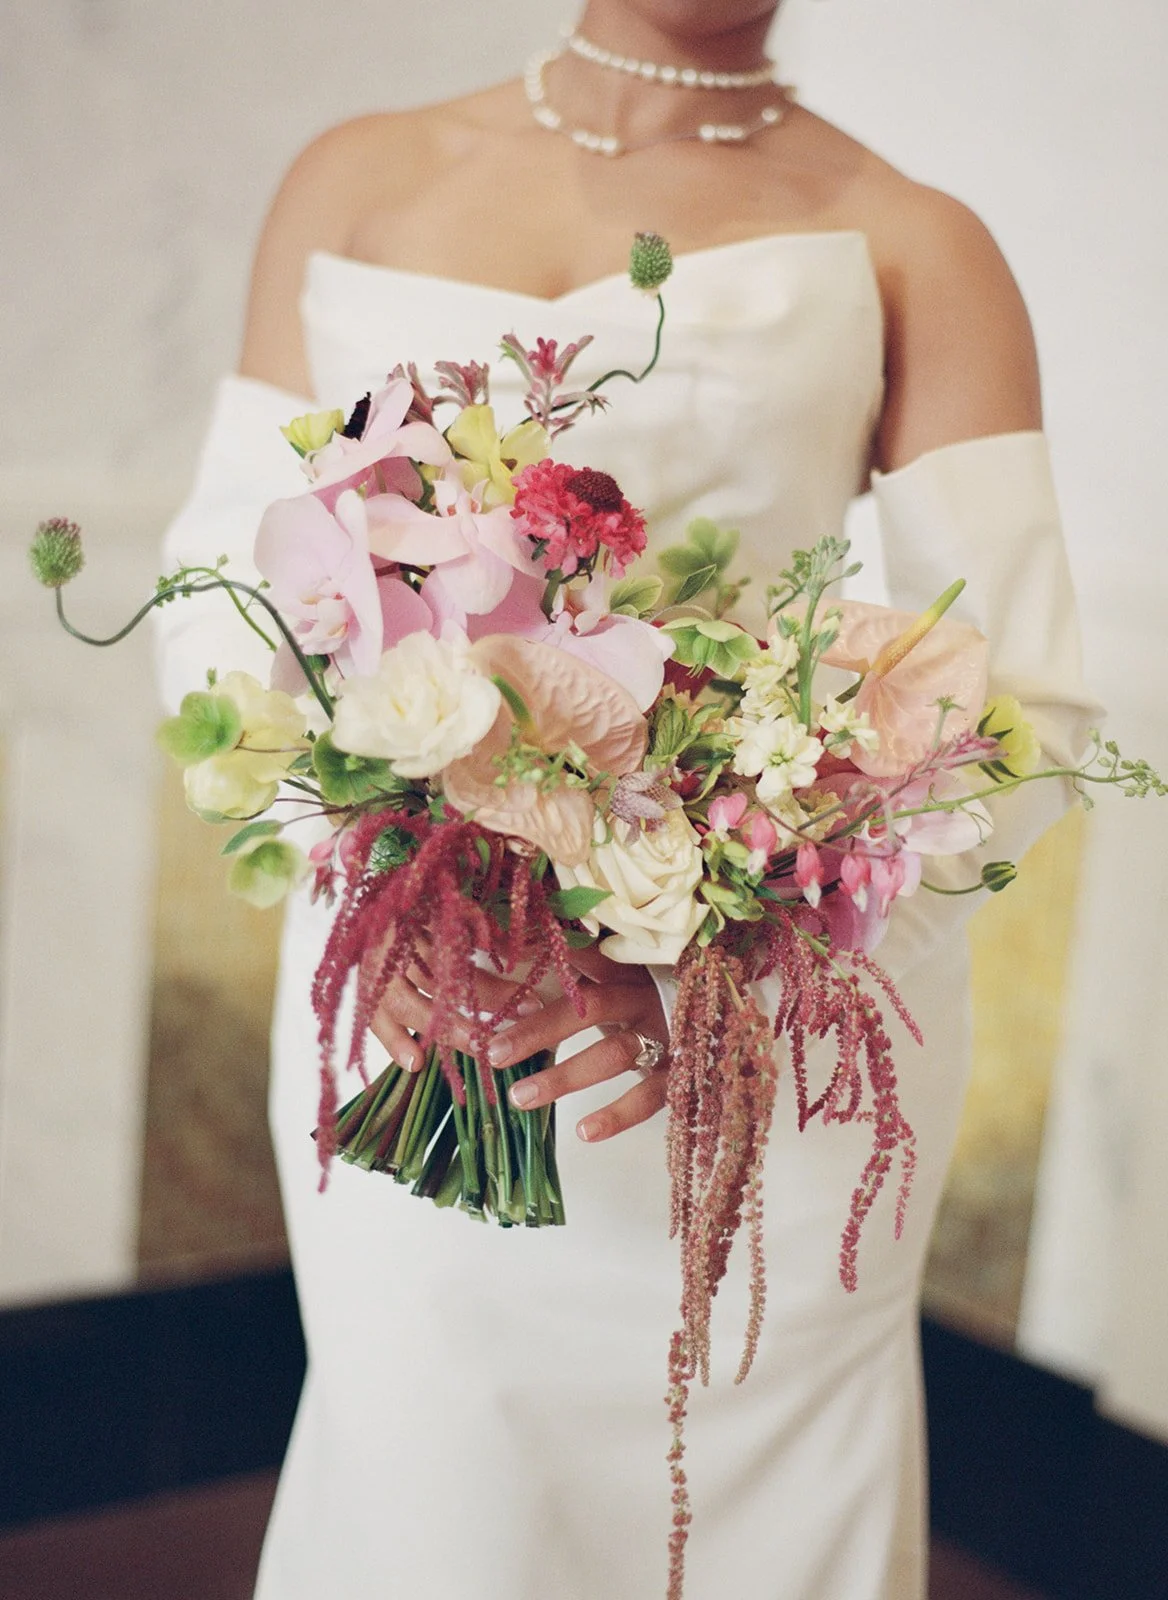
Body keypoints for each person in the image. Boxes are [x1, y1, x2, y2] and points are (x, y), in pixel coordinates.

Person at [155, 2, 1097, 1595]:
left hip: (747, 1051)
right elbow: (213, 601)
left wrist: (704, 940)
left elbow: (1032, 711)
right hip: (425, 1003)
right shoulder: (353, 180)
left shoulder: (912, 239)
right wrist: (392, 873)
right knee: (430, 1484)